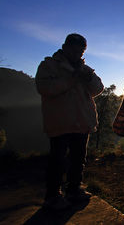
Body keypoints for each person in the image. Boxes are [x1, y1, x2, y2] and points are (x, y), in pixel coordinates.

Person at [35, 33, 104, 210]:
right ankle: (52, 196)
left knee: (78, 158)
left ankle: (74, 190)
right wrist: (71, 80)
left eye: (81, 51)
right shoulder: (49, 65)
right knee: (57, 160)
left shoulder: (85, 69)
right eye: (75, 50)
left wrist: (87, 78)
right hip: (61, 121)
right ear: (65, 47)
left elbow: (98, 89)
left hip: (82, 121)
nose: (78, 54)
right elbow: (44, 88)